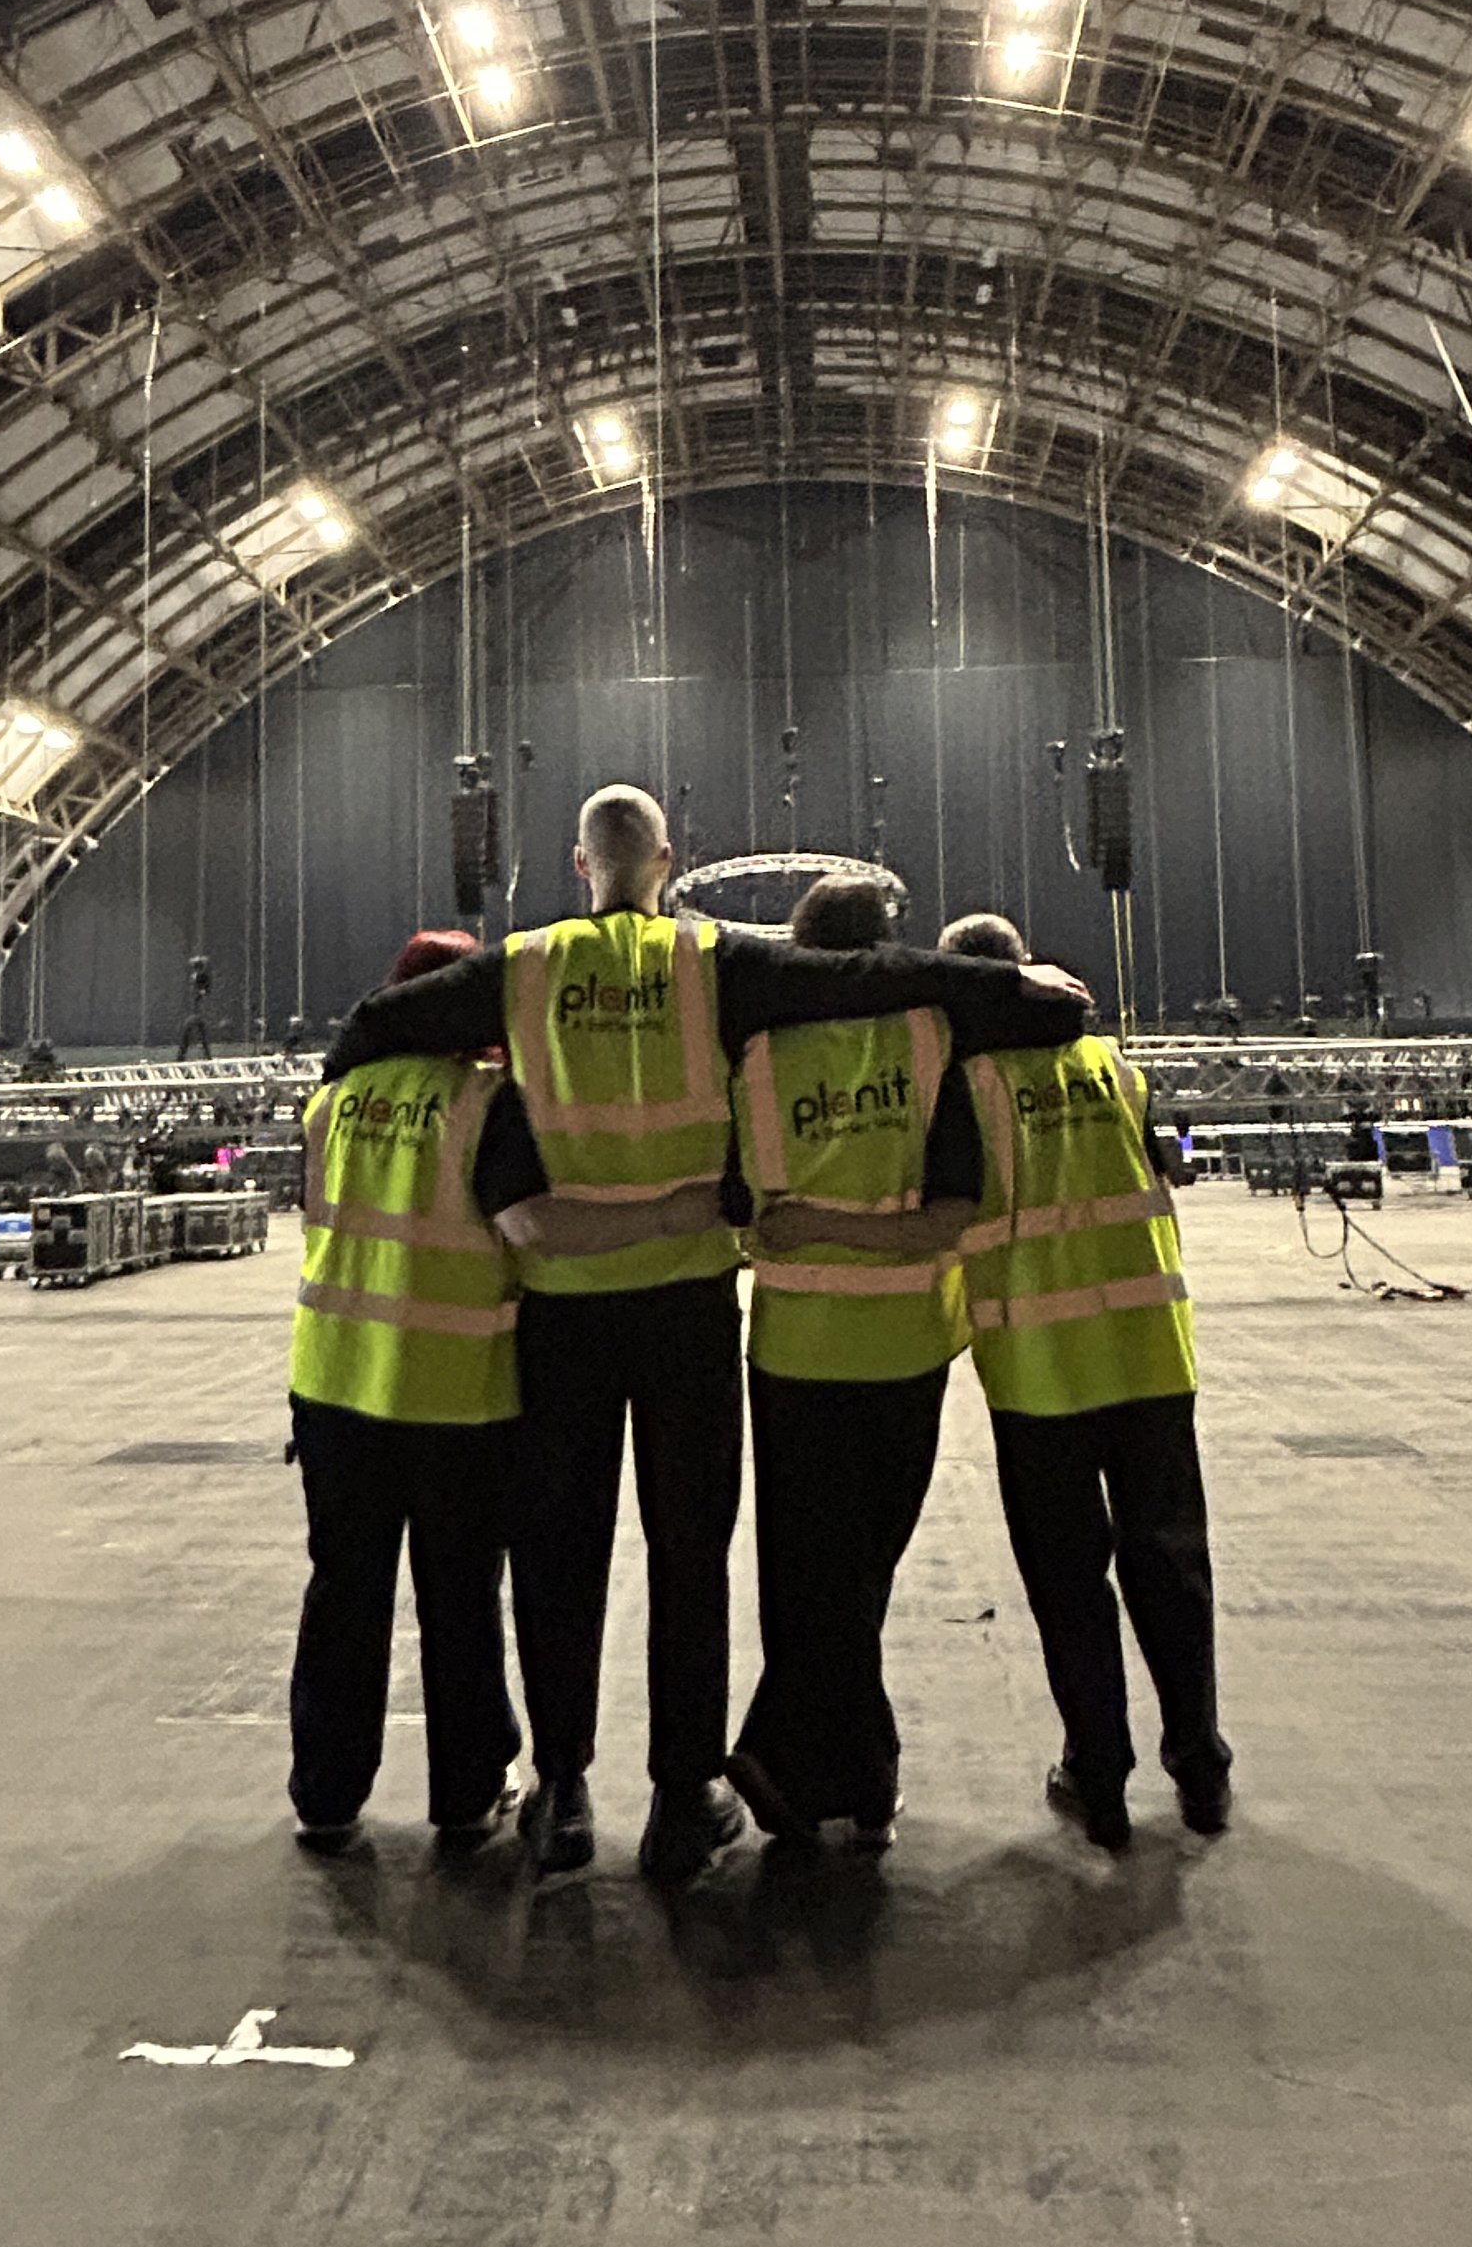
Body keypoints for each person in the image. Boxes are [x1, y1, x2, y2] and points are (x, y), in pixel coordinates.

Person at [321, 787, 1089, 1884]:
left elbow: (380, 1023)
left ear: (576, 861)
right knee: (691, 1559)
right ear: (668, 861)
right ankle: (684, 1801)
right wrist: (1006, 981)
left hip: (562, 1307)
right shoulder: (710, 960)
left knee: (558, 1554)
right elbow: (866, 976)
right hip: (685, 1304)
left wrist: (335, 1088)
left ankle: (564, 1792)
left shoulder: (523, 969)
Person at [939, 910, 1232, 1854]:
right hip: (1149, 1349)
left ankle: (1098, 1774)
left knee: (1070, 1581)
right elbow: (1168, 1167)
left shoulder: (968, 1085)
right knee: (1172, 1564)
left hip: (1040, 1369)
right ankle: (1201, 1764)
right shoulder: (1113, 1067)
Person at [727, 874, 981, 1852]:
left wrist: (809, 1225)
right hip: (904, 1349)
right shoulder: (931, 1045)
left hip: (791, 1348)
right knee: (859, 1575)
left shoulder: (754, 1057)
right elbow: (949, 1213)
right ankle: (836, 1771)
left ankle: (823, 1772)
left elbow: (740, 1203)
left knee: (805, 1574)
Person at [283, 928, 534, 1857]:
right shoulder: (486, 1105)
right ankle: (467, 1794)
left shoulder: (333, 1100)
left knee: (344, 1594)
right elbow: (524, 1235)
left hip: (336, 1386)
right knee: (460, 1599)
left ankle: (326, 1794)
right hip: (456, 1395)